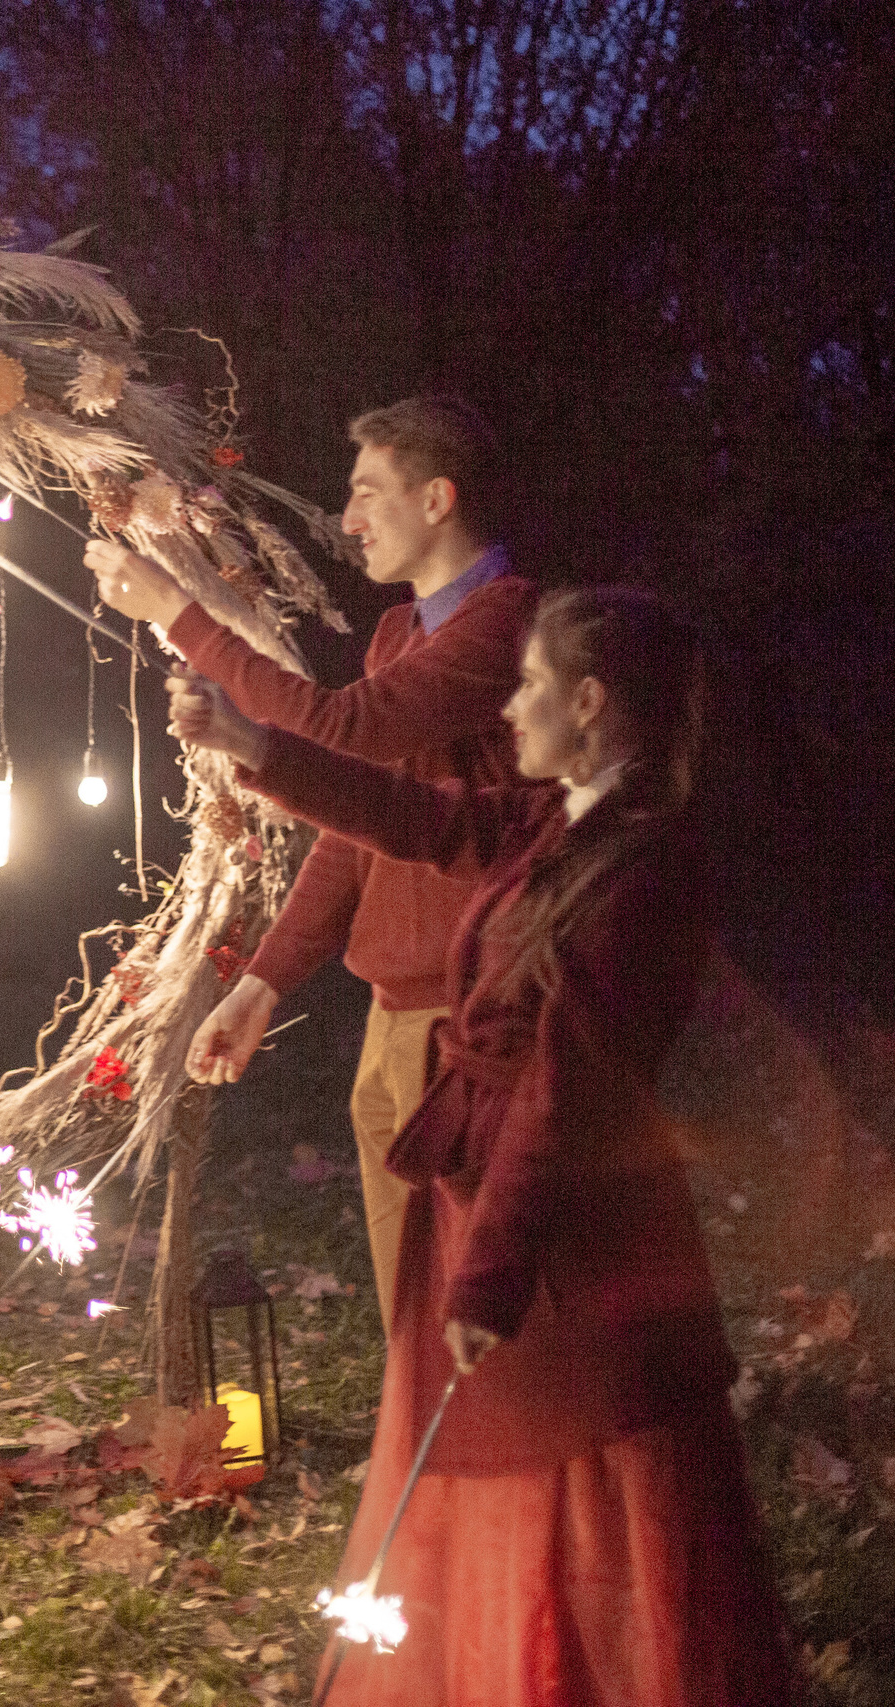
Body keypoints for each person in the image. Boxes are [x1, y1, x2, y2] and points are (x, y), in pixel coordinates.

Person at [167, 586, 794, 1705]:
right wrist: (252, 741)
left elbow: (568, 1093)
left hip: (571, 1237)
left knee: (578, 1471)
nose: (511, 708)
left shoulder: (641, 866)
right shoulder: (565, 816)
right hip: (495, 1197)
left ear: (589, 701)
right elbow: (420, 820)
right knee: (498, 1462)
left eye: (532, 685)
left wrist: (490, 1278)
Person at [87, 396, 534, 1329]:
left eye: (369, 491)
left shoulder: (506, 625)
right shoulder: (397, 636)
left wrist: (180, 612)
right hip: (393, 1014)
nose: (349, 518)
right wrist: (263, 983)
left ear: (439, 499)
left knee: (480, 1297)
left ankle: (510, 1467)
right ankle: (433, 1465)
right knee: (410, 1296)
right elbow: (354, 822)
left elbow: (344, 734)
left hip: (476, 1013)